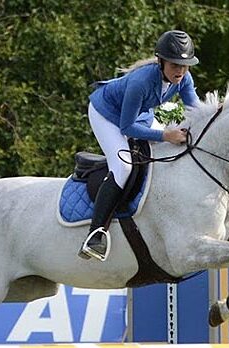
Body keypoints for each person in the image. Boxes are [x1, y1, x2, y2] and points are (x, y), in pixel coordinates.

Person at [79, 29, 203, 261]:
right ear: (161, 61)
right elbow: (126, 128)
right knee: (124, 166)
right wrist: (166, 135)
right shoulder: (140, 82)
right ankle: (96, 233)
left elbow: (196, 110)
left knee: (165, 153)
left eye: (184, 65)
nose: (180, 70)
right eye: (175, 65)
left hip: (140, 115)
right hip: (107, 115)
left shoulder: (184, 79)